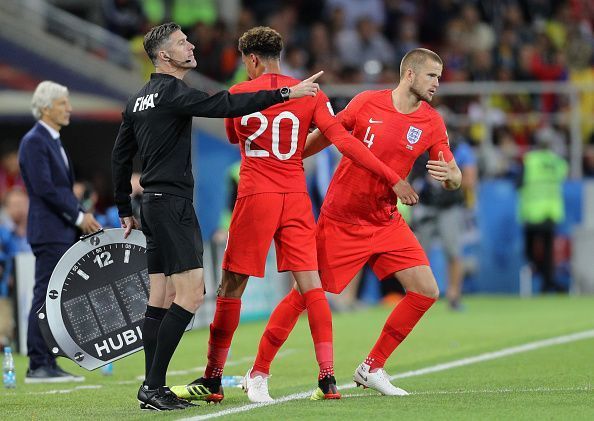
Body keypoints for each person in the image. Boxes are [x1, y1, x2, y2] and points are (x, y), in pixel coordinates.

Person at [173, 26, 413, 404]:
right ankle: (328, 379)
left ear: (250, 60)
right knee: (311, 286)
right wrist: (392, 177)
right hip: (296, 198)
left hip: (256, 196)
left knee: (231, 287)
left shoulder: (239, 93)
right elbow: (344, 142)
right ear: (278, 55)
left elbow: (236, 138)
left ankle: (214, 379)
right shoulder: (310, 94)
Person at [111, 21, 323, 411]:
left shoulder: (137, 99)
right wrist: (284, 93)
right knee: (191, 295)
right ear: (164, 56)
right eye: (181, 43)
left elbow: (120, 156)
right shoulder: (175, 92)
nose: (191, 46)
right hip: (172, 203)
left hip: (151, 206)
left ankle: (149, 386)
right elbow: (224, 105)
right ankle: (154, 388)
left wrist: (125, 206)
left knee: (160, 297)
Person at [241, 48, 462, 400]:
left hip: (386, 219)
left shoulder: (431, 122)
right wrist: (292, 158)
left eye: (439, 76)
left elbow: (452, 175)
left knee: (426, 290)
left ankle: (372, 367)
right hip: (343, 218)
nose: (438, 82)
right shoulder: (366, 103)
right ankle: (258, 371)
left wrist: (453, 176)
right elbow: (328, 133)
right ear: (410, 75)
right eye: (432, 75)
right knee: (303, 295)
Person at [18, 81, 102, 383]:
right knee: (44, 297)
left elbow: (58, 188)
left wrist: (79, 215)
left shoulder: (51, 139)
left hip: (59, 229)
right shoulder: (34, 141)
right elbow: (45, 189)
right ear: (45, 107)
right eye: (63, 103)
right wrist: (78, 215)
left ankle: (48, 362)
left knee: (53, 300)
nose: (69, 108)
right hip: (49, 231)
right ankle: (38, 364)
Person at [412, 133, 478, 310]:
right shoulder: (418, 144)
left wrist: (449, 177)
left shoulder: (459, 147)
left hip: (449, 206)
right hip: (424, 204)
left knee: (453, 250)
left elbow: (470, 180)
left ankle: (454, 295)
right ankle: (417, 297)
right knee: (417, 254)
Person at [519, 131, 568, 292]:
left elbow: (518, 182)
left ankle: (547, 280)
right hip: (551, 211)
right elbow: (564, 175)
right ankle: (549, 282)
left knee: (529, 251)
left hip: (533, 212)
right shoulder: (557, 162)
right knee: (547, 252)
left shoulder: (530, 160)